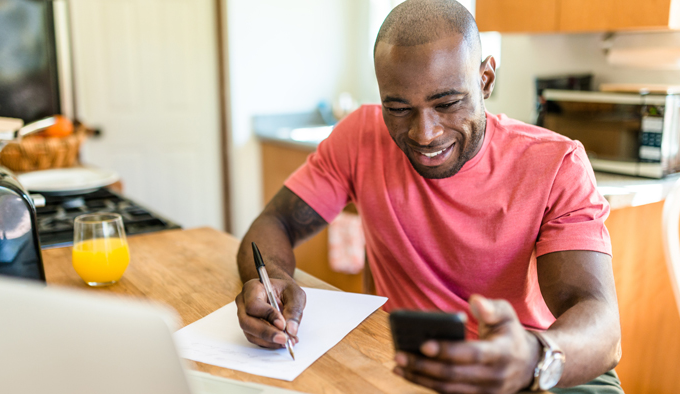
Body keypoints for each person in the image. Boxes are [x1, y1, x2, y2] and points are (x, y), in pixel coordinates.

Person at [235, 1, 623, 393]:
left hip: (536, 362)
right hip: (413, 362)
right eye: (399, 108)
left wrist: (532, 359)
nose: (425, 134)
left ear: (486, 79)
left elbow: (599, 321)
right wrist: (273, 282)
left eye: (447, 103)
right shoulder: (360, 138)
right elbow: (274, 223)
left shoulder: (555, 163)